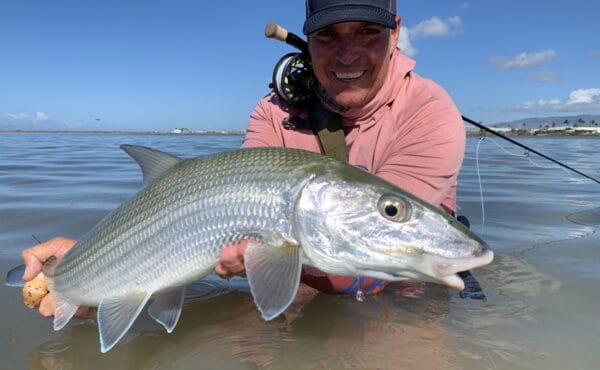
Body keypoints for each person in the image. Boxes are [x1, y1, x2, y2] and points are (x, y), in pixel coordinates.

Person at [20, 0, 465, 317]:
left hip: (405, 298)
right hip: (308, 289)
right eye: (329, 35)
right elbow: (187, 226)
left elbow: (379, 252)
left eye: (368, 32)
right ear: (308, 40)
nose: (347, 53)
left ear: (396, 32)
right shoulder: (273, 113)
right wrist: (97, 270)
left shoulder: (430, 113)